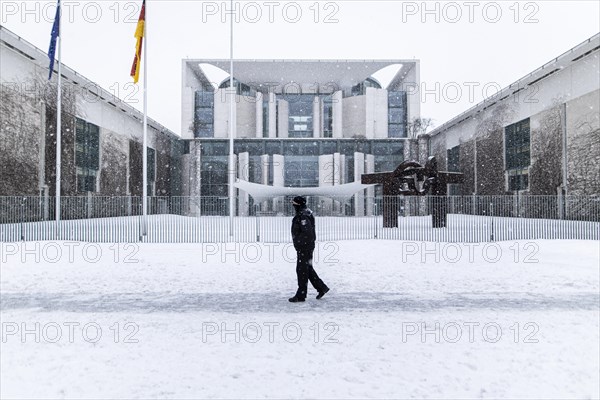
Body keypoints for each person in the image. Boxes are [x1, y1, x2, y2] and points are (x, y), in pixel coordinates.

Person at [288, 196, 329, 302]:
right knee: (307, 269)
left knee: (301, 270)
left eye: (294, 204)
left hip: (305, 247)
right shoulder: (305, 213)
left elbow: (307, 233)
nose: (293, 206)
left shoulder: (303, 215)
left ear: (298, 205)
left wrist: (300, 243)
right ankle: (321, 287)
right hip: (306, 246)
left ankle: (301, 294)